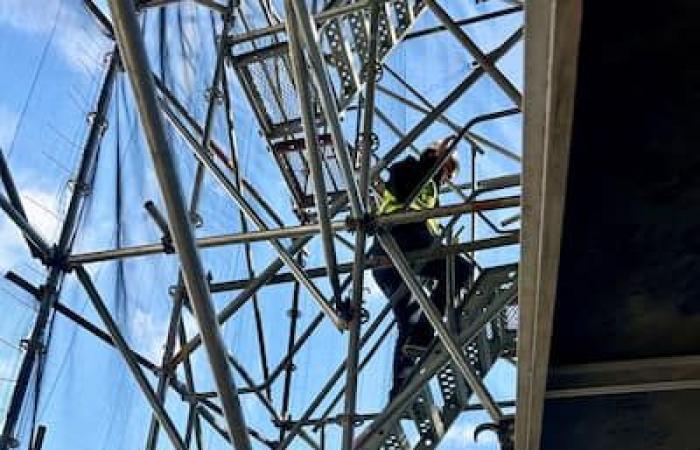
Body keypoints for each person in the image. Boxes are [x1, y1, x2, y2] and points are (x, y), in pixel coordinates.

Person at [370, 136, 474, 400]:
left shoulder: (431, 194)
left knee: (410, 323)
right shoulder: (406, 168)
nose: (445, 177)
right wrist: (433, 159)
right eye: (446, 169)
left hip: (395, 258)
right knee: (459, 270)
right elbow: (405, 188)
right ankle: (426, 332)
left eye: (448, 173)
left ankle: (399, 393)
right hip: (399, 240)